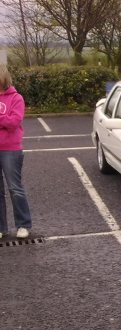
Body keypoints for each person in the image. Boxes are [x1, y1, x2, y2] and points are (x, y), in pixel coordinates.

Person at [0, 65, 31, 239]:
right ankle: (1, 228)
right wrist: (4, 120)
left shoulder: (16, 98)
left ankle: (23, 224)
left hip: (10, 150)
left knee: (15, 188)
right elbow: (8, 121)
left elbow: (14, 122)